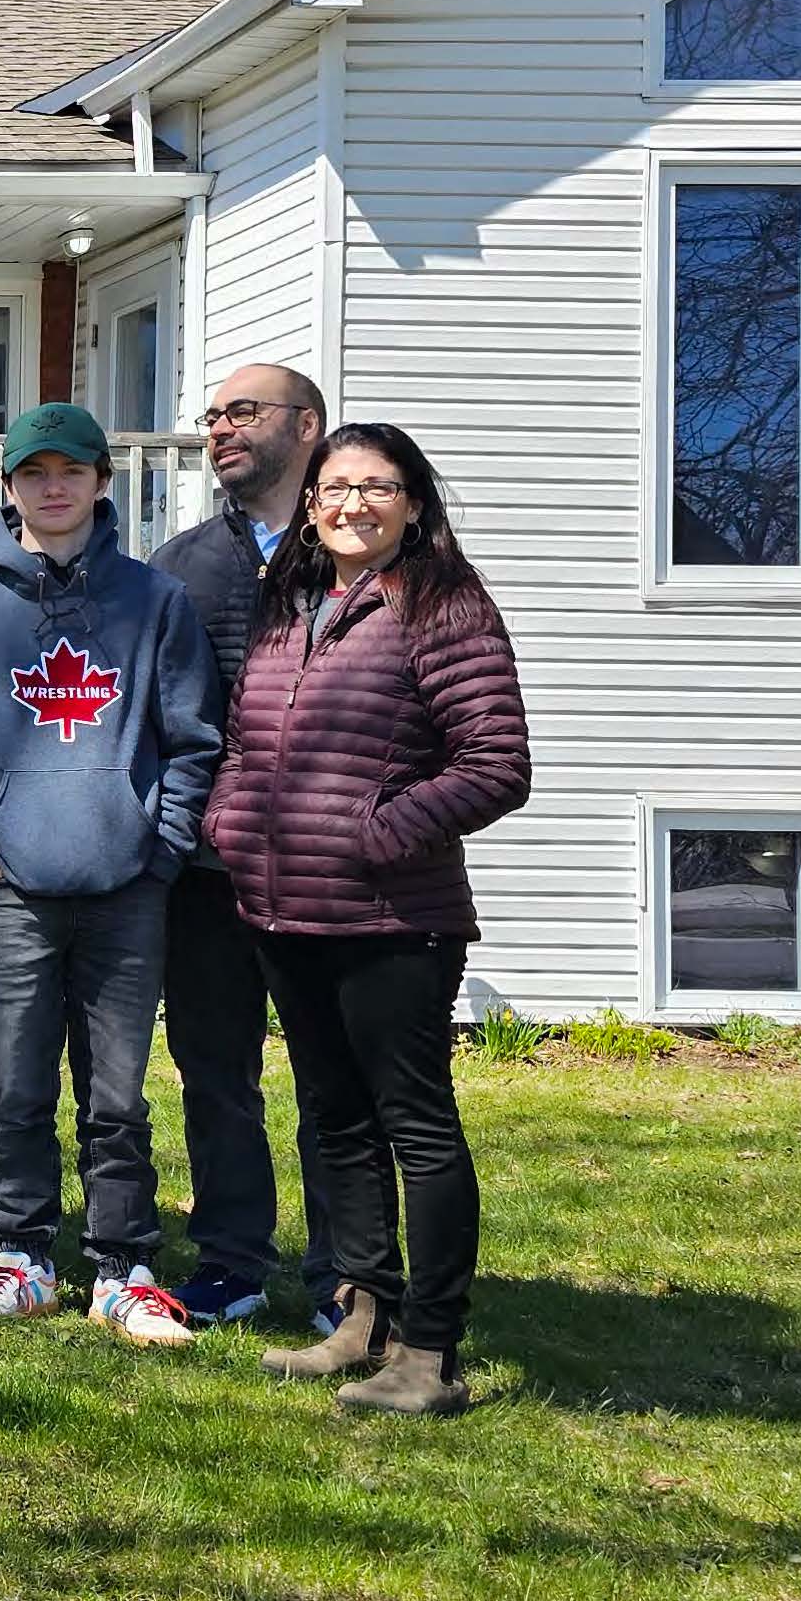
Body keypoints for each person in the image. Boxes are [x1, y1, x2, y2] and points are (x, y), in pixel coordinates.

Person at [208, 424, 532, 1416]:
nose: (350, 503)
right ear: (309, 507)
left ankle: (428, 1352)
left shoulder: (443, 608)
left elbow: (495, 764)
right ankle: (362, 1315)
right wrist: (226, 820)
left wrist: (376, 834)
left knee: (415, 1127)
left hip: (394, 919)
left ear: (414, 505)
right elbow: (245, 739)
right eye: (333, 487)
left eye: (374, 486)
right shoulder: (292, 608)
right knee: (334, 1122)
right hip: (284, 911)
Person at [0, 402, 221, 1345]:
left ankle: (124, 1266)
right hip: (12, 892)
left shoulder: (153, 600)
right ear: (8, 487)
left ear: (101, 483)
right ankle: (23, 1255)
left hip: (126, 887)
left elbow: (192, 738)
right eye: (34, 472)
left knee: (118, 1093)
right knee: (13, 1088)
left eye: (71, 470)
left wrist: (158, 851)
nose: (53, 486)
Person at [141, 362, 326, 1329]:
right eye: (212, 416)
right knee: (217, 1073)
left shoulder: (362, 550)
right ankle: (232, 1261)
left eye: (242, 412)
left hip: (331, 871)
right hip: (208, 873)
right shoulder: (181, 566)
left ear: (307, 425)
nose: (220, 429)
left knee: (339, 1079)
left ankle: (347, 1272)